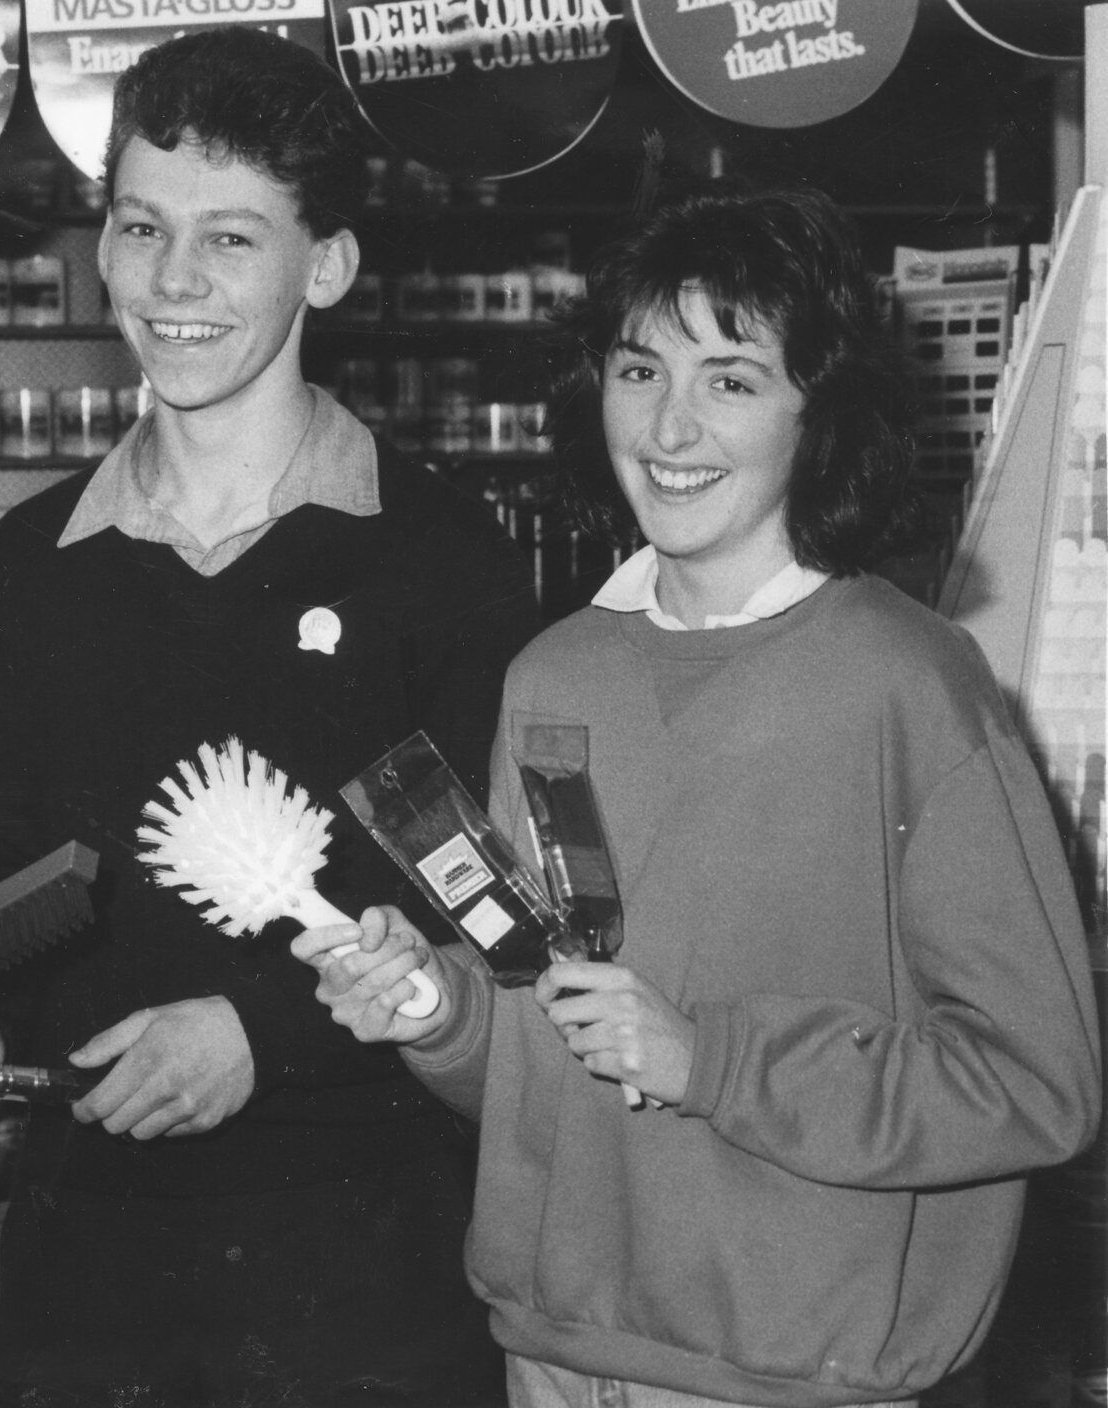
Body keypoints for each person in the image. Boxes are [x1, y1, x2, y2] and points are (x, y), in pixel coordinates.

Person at [293, 185, 1102, 1408]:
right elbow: (536, 1044)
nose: (670, 425)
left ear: (815, 413)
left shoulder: (907, 683)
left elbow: (1036, 1089)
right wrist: (434, 1014)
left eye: (730, 378)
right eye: (638, 369)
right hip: (554, 1357)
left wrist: (711, 1057)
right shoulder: (554, 670)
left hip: (796, 1380)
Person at [0, 26, 540, 1407]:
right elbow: (3, 875)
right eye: (138, 227)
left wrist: (257, 1032)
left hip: (359, 1258)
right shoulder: (30, 564)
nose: (172, 282)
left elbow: (489, 915)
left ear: (328, 265)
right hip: (83, 1259)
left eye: (230, 239)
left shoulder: (436, 556)